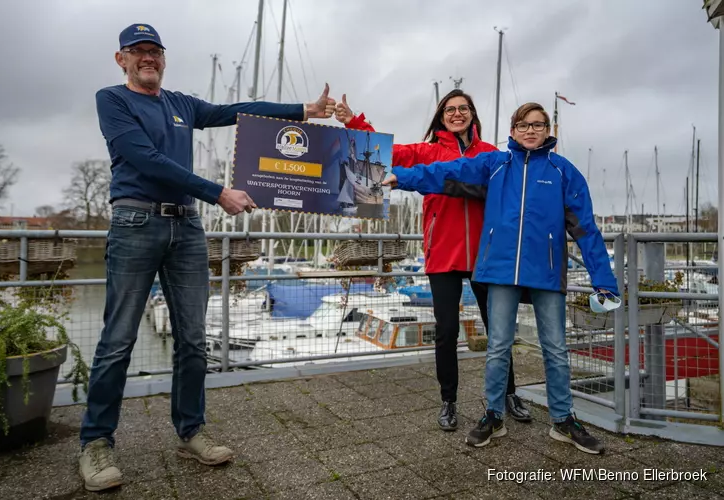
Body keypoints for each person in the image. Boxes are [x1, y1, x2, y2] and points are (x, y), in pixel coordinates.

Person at [78, 23, 336, 492]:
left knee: (194, 339)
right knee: (117, 340)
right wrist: (218, 192)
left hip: (187, 226)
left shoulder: (181, 104)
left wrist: (304, 109)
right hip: (136, 222)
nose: (147, 58)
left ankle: (191, 431)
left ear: (163, 56)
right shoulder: (112, 99)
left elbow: (240, 111)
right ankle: (96, 442)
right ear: (122, 60)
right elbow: (143, 158)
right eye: (137, 51)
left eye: (154, 50)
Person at [382, 102, 618, 454]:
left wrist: (604, 279)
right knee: (497, 347)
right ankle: (493, 414)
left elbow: (586, 229)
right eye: (523, 125)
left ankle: (563, 420)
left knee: (555, 349)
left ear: (548, 130)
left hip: (548, 273)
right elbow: (444, 172)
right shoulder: (494, 164)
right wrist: (403, 179)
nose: (530, 131)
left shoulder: (563, 172)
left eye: (538, 125)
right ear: (512, 130)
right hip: (501, 272)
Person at [335, 90, 532, 431]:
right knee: (447, 331)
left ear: (473, 114)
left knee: (498, 330)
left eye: (463, 109)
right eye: (450, 110)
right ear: (441, 117)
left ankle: (509, 394)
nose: (457, 114)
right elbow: (386, 152)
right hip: (443, 254)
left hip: (486, 257)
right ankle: (448, 401)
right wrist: (353, 121)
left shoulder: (490, 155)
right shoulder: (425, 151)